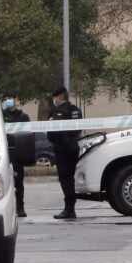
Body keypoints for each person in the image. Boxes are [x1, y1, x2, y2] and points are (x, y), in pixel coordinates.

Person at [48, 86, 83, 220]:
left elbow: (52, 133)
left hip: (62, 150)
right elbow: (78, 129)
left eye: (55, 97)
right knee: (69, 179)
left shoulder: (56, 112)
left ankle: (69, 210)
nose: (54, 100)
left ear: (59, 96)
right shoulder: (75, 110)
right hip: (73, 148)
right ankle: (70, 208)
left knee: (65, 179)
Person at [2, 97, 31, 218]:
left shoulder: (23, 117)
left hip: (18, 153)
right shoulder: (1, 115)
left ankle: (20, 208)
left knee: (18, 183)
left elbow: (28, 134)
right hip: (4, 152)